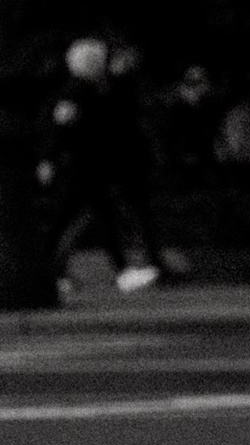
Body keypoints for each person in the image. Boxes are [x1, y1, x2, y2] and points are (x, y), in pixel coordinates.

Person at [48, 35, 163, 295]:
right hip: (82, 167)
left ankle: (58, 272)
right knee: (79, 219)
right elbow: (64, 128)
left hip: (85, 166)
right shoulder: (79, 90)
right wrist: (51, 157)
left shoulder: (86, 89)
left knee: (83, 219)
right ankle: (120, 271)